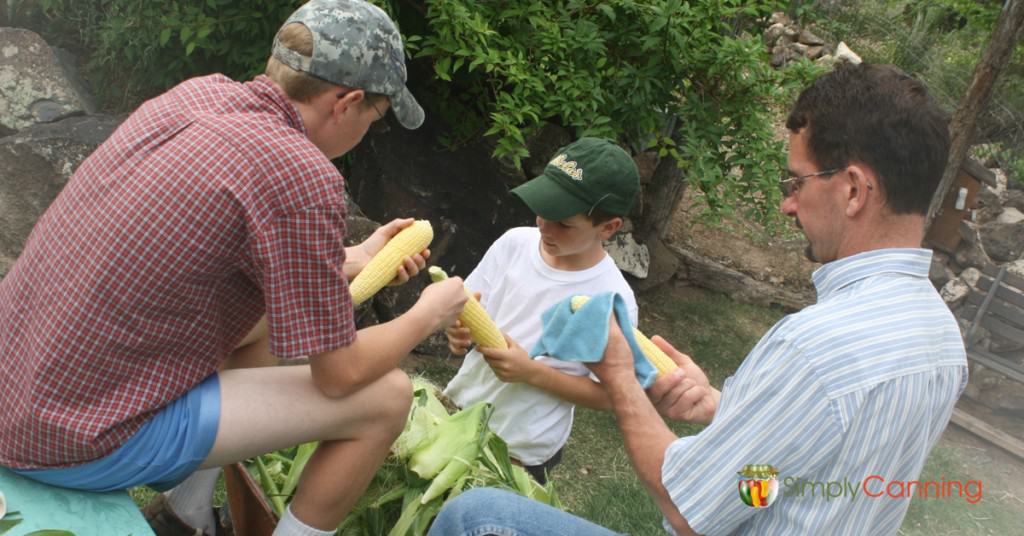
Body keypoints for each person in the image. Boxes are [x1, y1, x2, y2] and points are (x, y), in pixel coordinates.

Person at [429, 62, 967, 536]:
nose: (787, 205)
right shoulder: (942, 339)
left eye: (796, 182)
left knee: (473, 517)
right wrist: (727, 411)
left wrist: (619, 375)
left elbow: (687, 507)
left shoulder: (814, 347)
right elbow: (816, 470)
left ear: (853, 190)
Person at [0, 1, 468, 536]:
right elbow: (339, 377)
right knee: (387, 399)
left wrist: (356, 259)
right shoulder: (302, 174)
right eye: (376, 119)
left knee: (260, 327)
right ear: (348, 101)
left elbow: (226, 264)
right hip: (68, 440)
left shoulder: (197, 96)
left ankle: (183, 513)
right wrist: (429, 315)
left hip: (16, 395)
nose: (369, 132)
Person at [442, 137, 641, 484]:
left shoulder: (611, 299)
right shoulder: (515, 243)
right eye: (542, 212)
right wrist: (458, 331)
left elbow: (609, 395)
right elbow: (471, 308)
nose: (544, 228)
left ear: (609, 228)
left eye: (563, 223)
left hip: (519, 451)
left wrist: (531, 373)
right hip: (457, 411)